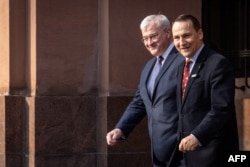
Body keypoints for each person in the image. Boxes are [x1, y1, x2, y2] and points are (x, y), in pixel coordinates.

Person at [106, 14, 184, 167]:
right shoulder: (148, 67)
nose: (149, 43)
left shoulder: (183, 60)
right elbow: (139, 102)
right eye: (145, 39)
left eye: (153, 36)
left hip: (182, 151)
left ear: (167, 33)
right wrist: (121, 128)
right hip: (159, 152)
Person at [171, 14, 239, 167]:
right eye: (176, 37)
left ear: (200, 34)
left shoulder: (217, 63)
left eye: (186, 36)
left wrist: (197, 136)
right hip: (186, 155)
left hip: (212, 154)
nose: (181, 42)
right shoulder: (181, 66)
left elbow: (221, 108)